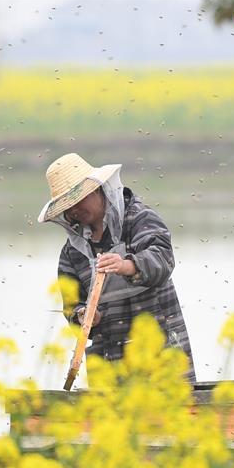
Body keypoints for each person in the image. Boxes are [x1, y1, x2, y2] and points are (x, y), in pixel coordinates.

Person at [37, 153, 195, 382]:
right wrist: (83, 316)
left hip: (162, 354)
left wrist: (127, 265)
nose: (73, 211)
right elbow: (71, 304)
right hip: (109, 362)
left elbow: (163, 259)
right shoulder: (72, 251)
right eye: (67, 207)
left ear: (96, 189)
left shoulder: (139, 218)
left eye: (77, 200)